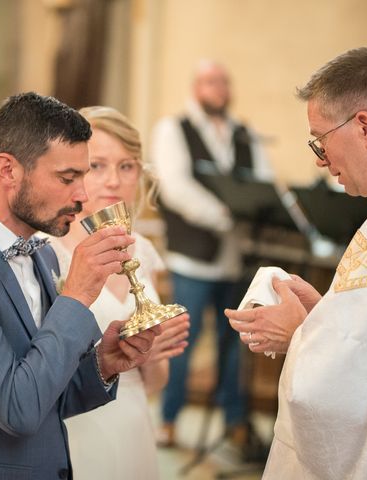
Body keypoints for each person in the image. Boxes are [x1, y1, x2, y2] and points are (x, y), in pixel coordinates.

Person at [0, 92, 161, 480]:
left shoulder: (41, 253)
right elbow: (16, 408)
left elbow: (48, 392)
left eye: (82, 176)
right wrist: (77, 294)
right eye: (67, 178)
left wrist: (103, 364)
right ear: (7, 170)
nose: (83, 194)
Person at [226, 47, 367, 479]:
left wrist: (298, 335)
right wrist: (324, 317)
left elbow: (340, 397)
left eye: (320, 139)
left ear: (366, 127)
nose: (319, 158)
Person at [48, 106, 190, 479]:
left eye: (127, 166)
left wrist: (151, 354)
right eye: (98, 166)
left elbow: (156, 384)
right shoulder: (48, 253)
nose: (114, 181)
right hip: (75, 427)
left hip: (133, 421)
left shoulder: (141, 249)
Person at [150, 59, 274, 449]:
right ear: (195, 88)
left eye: (222, 81)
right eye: (208, 82)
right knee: (181, 342)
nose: (217, 89)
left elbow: (263, 182)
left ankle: (235, 421)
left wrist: (250, 213)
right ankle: (169, 419)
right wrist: (223, 215)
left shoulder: (245, 134)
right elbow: (174, 187)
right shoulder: (174, 129)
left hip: (237, 258)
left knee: (236, 345)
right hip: (192, 258)